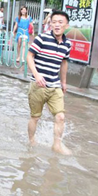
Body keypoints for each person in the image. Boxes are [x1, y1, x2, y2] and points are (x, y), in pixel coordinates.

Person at [26, 10, 73, 155]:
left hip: (55, 86)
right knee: (35, 116)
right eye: (54, 22)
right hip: (38, 85)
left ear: (66, 25)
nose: (57, 25)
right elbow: (29, 56)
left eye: (60, 22)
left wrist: (64, 82)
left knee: (60, 116)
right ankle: (31, 140)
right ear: (50, 23)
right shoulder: (42, 38)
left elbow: (64, 63)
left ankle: (57, 145)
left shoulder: (67, 44)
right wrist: (36, 75)